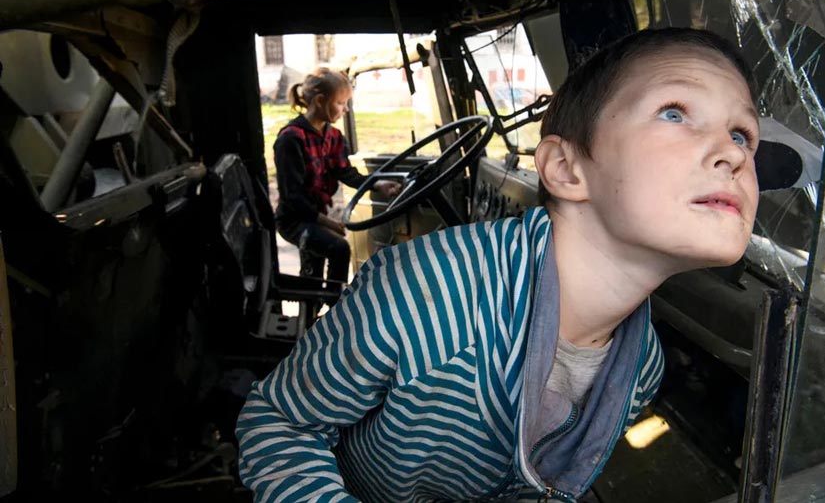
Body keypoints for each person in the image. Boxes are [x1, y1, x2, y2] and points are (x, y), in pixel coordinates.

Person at [237, 28, 781, 502]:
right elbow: (278, 423)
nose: (734, 154)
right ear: (566, 169)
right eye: (674, 112)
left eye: (742, 133)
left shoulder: (640, 370)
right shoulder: (425, 295)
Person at [273, 67, 401, 284]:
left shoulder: (334, 137)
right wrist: (328, 223)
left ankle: (319, 305)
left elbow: (345, 172)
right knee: (338, 249)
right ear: (321, 101)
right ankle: (333, 305)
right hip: (293, 219)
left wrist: (377, 184)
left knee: (316, 264)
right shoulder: (290, 139)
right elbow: (293, 197)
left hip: (316, 214)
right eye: (341, 103)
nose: (346, 109)